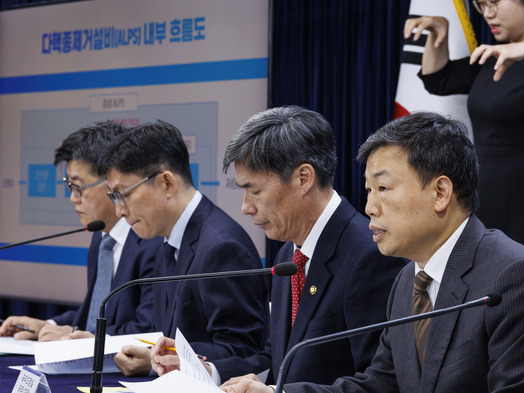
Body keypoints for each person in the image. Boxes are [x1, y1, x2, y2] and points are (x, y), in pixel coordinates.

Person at [222, 111, 524, 393]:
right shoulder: (406, 282)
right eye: (369, 190)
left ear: (440, 192)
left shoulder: (516, 278)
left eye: (383, 188)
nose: (370, 206)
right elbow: (378, 385)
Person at [150, 106, 406, 386]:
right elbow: (277, 358)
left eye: (255, 191)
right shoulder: (290, 254)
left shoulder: (369, 256)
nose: (246, 207)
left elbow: (377, 382)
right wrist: (207, 370)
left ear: (303, 178)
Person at [97, 120, 269, 377]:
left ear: (167, 183)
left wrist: (176, 356)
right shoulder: (167, 241)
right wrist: (157, 357)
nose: (120, 210)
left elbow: (241, 352)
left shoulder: (222, 248)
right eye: (114, 197)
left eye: (124, 194)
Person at [403, 0, 524, 278]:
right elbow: (437, 79)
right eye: (481, 5)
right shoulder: (492, 55)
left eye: (494, 3)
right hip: (486, 195)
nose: (487, 14)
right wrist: (439, 33)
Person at [0, 121, 161, 341]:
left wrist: (75, 336)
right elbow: (95, 315)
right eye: (69, 186)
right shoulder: (102, 238)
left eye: (78, 187)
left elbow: (148, 330)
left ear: (113, 182)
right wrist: (47, 325)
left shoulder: (152, 241)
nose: (73, 198)